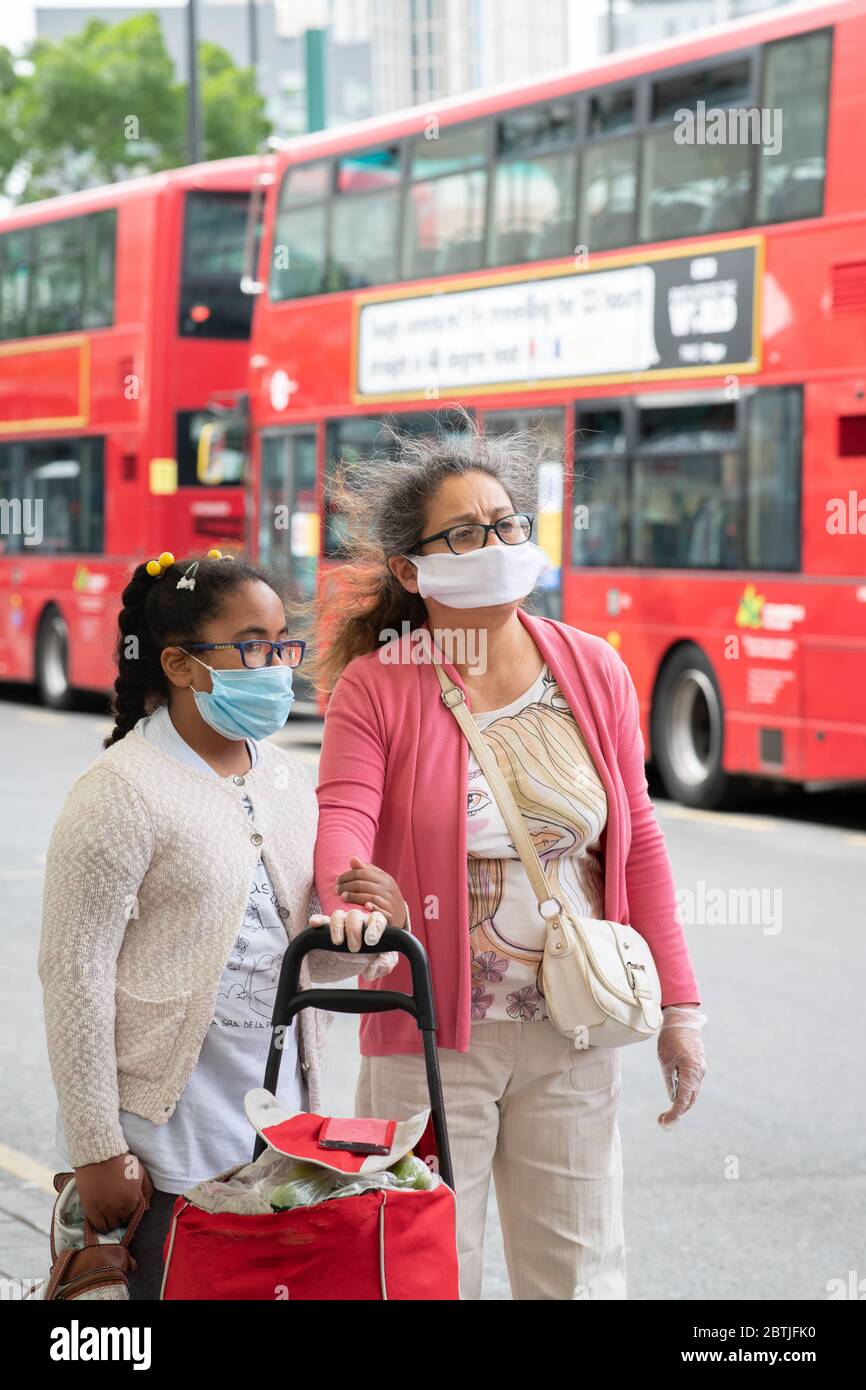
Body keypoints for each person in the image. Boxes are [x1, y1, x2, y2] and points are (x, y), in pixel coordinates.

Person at [307, 417, 708, 1301]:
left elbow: (637, 843)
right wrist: (354, 899)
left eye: (507, 524)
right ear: (413, 571)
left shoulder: (591, 669)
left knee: (579, 1275)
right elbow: (345, 818)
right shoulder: (381, 684)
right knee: (426, 1272)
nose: (494, 543)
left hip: (574, 1023)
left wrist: (681, 1009)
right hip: (425, 1033)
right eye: (464, 533)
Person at [37, 549, 390, 1300]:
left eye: (282, 643)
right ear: (181, 664)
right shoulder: (121, 792)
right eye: (253, 645)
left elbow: (295, 956)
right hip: (165, 1145)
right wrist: (99, 1149)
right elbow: (74, 975)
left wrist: (362, 933)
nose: (277, 666)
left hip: (280, 1132)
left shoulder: (285, 779)